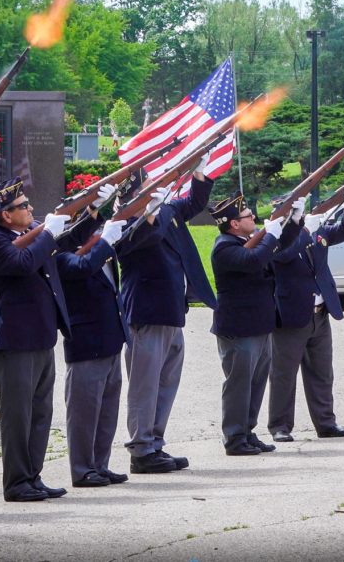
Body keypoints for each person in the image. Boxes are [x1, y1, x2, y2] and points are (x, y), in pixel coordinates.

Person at [115, 157, 217, 474]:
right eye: (148, 187)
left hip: (173, 310)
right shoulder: (124, 225)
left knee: (165, 384)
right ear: (134, 196)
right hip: (147, 311)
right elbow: (145, 238)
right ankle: (141, 449)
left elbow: (195, 203)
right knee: (144, 385)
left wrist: (199, 170)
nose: (156, 189)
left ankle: (154, 443)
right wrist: (149, 211)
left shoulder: (167, 210)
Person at [0, 177, 75, 502]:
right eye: (23, 206)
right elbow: (24, 264)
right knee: (17, 417)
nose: (31, 208)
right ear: (6, 214)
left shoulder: (32, 234)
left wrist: (92, 211)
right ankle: (16, 482)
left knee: (40, 413)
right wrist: (47, 233)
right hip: (16, 340)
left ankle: (33, 476)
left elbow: (65, 241)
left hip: (41, 336)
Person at [209, 193, 301, 456]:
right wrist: (269, 234)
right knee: (239, 385)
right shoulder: (224, 247)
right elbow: (254, 261)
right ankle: (234, 438)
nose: (253, 217)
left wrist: (294, 220)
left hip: (259, 324)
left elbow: (278, 247)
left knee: (256, 383)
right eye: (248, 215)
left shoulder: (247, 242)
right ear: (234, 224)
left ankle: (247, 431)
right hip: (239, 328)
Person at [268, 189, 344, 443]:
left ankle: (326, 423)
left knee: (322, 372)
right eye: (292, 211)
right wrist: (304, 229)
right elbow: (283, 256)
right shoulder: (274, 237)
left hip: (320, 313)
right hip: (291, 315)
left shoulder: (316, 231)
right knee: (284, 375)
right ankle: (280, 426)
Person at [56, 209, 130, 488]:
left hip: (111, 341)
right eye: (94, 229)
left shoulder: (102, 252)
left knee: (107, 411)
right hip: (86, 344)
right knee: (84, 414)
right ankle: (82, 469)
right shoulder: (63, 256)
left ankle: (100, 464)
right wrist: (104, 242)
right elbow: (82, 268)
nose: (99, 232)